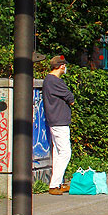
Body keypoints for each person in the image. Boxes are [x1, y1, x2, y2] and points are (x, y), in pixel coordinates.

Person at [42, 55, 74, 195]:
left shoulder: (48, 80)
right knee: (65, 153)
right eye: (64, 66)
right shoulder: (55, 81)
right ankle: (54, 185)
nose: (65, 68)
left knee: (57, 152)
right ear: (61, 66)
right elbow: (70, 98)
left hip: (54, 120)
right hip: (59, 120)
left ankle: (58, 183)